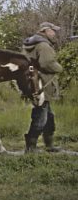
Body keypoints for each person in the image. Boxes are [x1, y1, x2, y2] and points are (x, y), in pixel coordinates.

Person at [22, 21, 64, 153]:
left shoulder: (30, 44)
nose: (55, 33)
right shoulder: (44, 45)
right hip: (42, 84)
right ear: (45, 31)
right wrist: (60, 68)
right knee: (41, 116)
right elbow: (47, 63)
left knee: (49, 115)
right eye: (53, 31)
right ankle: (31, 147)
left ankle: (49, 145)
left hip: (34, 83)